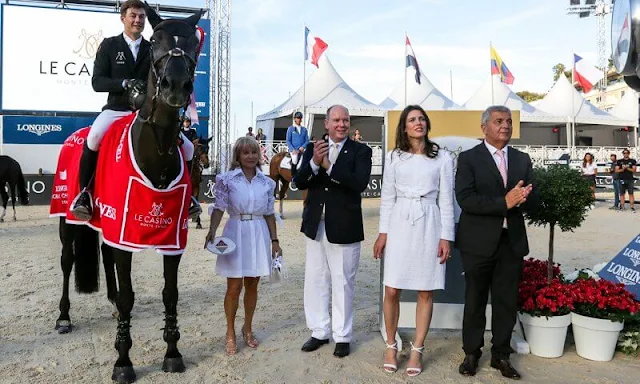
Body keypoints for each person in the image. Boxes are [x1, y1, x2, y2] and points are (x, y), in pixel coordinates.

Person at [70, 0, 196, 220]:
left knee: (188, 148)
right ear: (123, 18)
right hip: (117, 108)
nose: (137, 20)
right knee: (94, 136)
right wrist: (123, 83)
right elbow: (97, 82)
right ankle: (84, 194)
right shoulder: (109, 45)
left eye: (141, 17)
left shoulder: (153, 47)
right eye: (133, 16)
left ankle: (188, 197)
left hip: (148, 110)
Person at [455, 105, 538, 380]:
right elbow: (465, 199)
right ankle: (471, 353)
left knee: (505, 302)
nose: (505, 125)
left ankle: (501, 355)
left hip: (510, 241)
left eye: (509, 121)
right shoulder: (468, 159)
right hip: (478, 242)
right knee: (475, 299)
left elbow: (532, 198)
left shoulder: (523, 159)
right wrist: (504, 202)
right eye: (499, 121)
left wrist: (526, 197)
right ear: (484, 127)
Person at [373, 105, 455, 376]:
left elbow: (446, 199)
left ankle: (418, 349)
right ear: (404, 127)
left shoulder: (442, 157)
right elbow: (387, 197)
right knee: (392, 289)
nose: (418, 123)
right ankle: (390, 345)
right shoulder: (394, 156)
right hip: (399, 223)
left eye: (421, 118)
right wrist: (383, 233)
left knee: (425, 289)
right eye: (412, 119)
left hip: (429, 222)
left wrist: (446, 236)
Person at [296, 105, 372, 358]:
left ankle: (342, 335)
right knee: (316, 280)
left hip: (345, 226)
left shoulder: (361, 151)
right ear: (326, 123)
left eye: (346, 120)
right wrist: (315, 164)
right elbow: (299, 181)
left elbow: (358, 183)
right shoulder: (312, 148)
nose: (342, 124)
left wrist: (328, 166)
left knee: (343, 282)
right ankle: (319, 330)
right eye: (336, 120)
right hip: (316, 225)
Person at [204, 136, 282, 355]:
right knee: (234, 286)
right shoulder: (226, 179)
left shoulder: (267, 183)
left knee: (253, 284)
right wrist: (212, 230)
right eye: (245, 152)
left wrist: (275, 241)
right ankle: (230, 332)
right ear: (237, 155)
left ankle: (247, 328)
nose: (250, 156)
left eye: (254, 152)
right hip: (235, 232)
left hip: (259, 233)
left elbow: (269, 214)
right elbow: (219, 208)